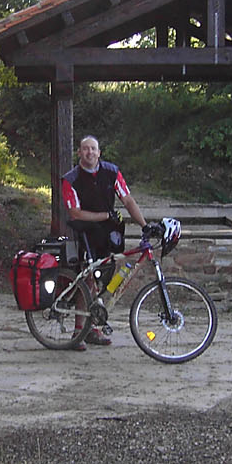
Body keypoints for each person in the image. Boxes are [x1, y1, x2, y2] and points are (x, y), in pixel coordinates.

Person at [61, 135, 148, 346]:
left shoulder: (112, 172)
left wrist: (145, 225)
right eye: (85, 149)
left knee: (105, 278)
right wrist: (105, 216)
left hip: (108, 232)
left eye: (93, 149)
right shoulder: (70, 179)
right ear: (79, 153)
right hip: (85, 230)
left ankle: (92, 328)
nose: (89, 152)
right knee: (88, 277)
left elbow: (127, 200)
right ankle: (79, 332)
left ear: (99, 153)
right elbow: (75, 213)